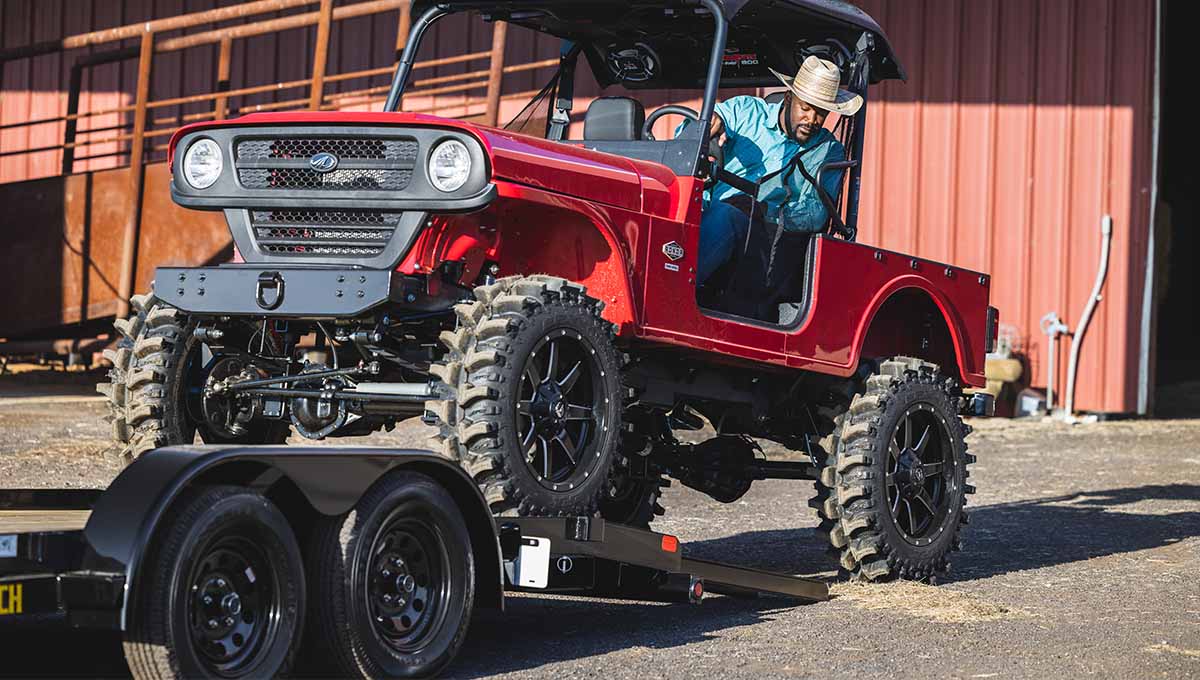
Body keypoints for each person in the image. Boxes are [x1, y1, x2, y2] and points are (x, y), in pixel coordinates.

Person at [696, 55, 863, 284]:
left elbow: (816, 213)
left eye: (821, 113)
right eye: (805, 108)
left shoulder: (828, 151)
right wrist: (708, 127)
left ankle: (673, 292)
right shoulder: (746, 112)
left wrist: (763, 210)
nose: (812, 120)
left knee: (726, 216)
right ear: (788, 98)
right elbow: (687, 138)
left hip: (765, 239)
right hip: (704, 210)